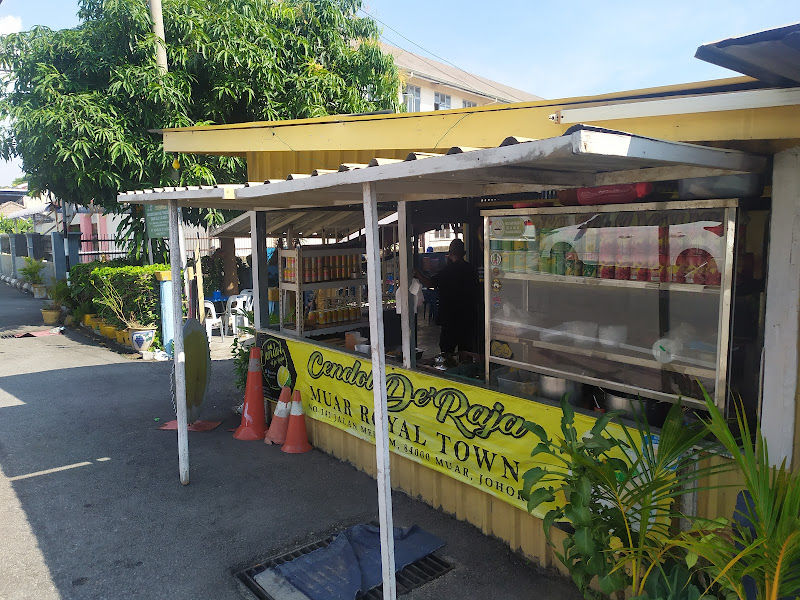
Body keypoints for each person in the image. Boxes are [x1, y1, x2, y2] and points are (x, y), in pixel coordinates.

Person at [415, 238, 479, 354]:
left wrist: (417, 274)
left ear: (450, 254)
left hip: (450, 318)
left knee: (447, 351)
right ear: (463, 254)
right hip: (468, 317)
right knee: (466, 351)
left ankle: (450, 369)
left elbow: (430, 283)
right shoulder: (471, 269)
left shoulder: (448, 271)